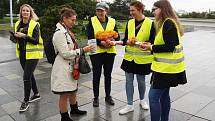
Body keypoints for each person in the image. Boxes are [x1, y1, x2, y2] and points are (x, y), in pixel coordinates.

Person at [142, 0, 187, 121]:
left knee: (153, 98)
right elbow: (167, 43)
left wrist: (151, 47)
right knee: (164, 96)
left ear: (162, 9)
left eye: (154, 9)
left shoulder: (168, 23)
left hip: (165, 70)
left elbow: (170, 46)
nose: (153, 12)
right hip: (168, 69)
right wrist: (150, 44)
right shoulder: (167, 23)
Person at [51, 7, 93, 121]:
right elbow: (65, 53)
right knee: (64, 94)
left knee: (73, 89)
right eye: (72, 20)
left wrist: (79, 50)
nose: (74, 22)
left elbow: (71, 48)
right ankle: (64, 117)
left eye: (75, 20)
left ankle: (74, 109)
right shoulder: (59, 33)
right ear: (64, 18)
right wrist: (83, 50)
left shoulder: (67, 31)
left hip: (71, 66)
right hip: (63, 67)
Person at [118, 1, 155, 115]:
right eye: (130, 10)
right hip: (129, 58)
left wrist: (145, 44)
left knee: (141, 81)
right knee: (128, 81)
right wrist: (127, 41)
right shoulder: (129, 23)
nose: (131, 12)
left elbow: (153, 41)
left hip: (142, 59)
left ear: (140, 10)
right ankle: (129, 105)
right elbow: (125, 40)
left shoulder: (150, 23)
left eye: (133, 10)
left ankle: (142, 100)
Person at [86, 2, 120, 107]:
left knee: (108, 75)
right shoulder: (92, 21)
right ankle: (95, 97)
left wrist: (111, 40)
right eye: (98, 10)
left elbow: (117, 37)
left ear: (106, 11)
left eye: (102, 10)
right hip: (96, 53)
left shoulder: (113, 21)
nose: (99, 12)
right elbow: (90, 36)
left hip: (109, 52)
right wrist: (101, 43)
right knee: (96, 75)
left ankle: (108, 96)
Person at [11, 4, 43, 112]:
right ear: (21, 12)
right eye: (23, 11)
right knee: (29, 75)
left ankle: (25, 101)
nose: (25, 12)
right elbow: (16, 39)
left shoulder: (34, 24)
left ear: (30, 13)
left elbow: (36, 40)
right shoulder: (17, 24)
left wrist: (23, 36)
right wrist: (14, 36)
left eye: (27, 11)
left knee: (26, 77)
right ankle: (36, 93)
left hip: (33, 55)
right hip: (22, 54)